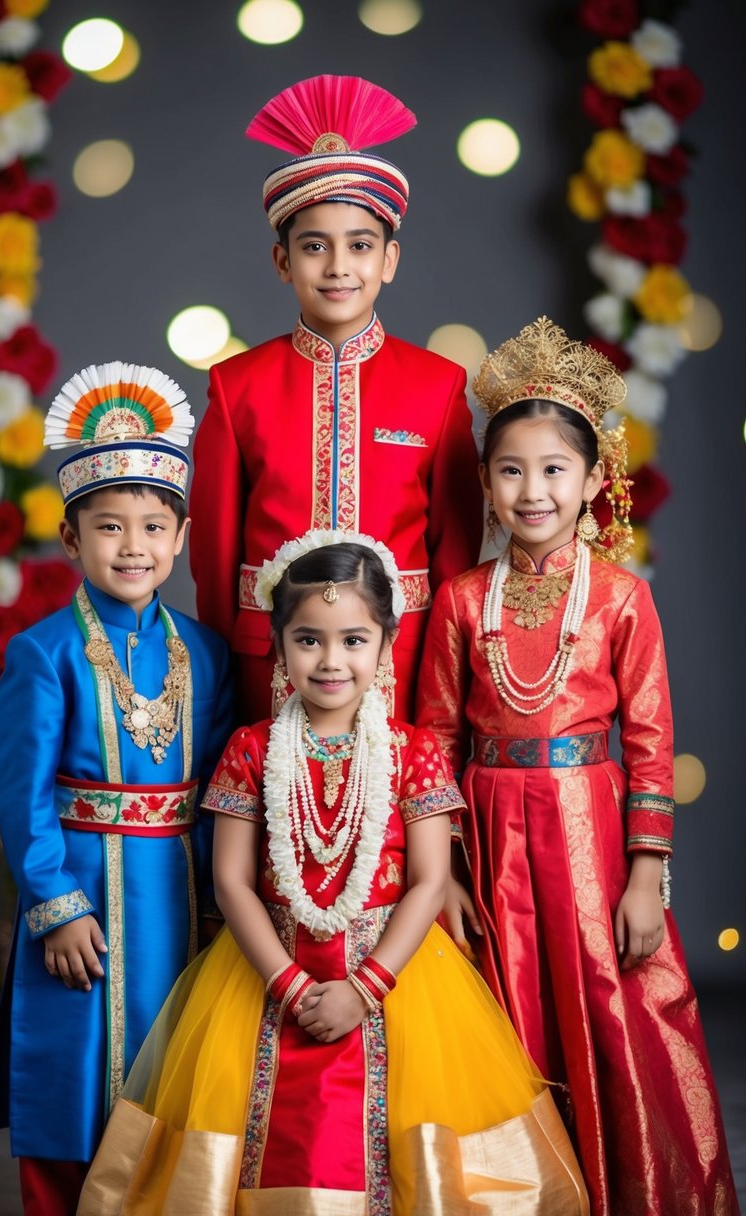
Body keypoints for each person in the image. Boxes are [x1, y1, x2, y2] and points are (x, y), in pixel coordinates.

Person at [77, 531, 588, 1216]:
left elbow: (429, 882)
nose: (330, 659)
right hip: (265, 971)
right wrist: (288, 984)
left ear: (384, 645)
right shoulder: (251, 748)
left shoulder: (411, 752)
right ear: (281, 646)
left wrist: (366, 989)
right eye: (308, 639)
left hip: (394, 976)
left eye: (353, 639)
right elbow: (231, 881)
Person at [417, 317, 740, 1215]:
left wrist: (646, 875)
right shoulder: (459, 601)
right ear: (482, 482)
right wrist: (437, 874)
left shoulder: (621, 598)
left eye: (554, 469)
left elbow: (648, 739)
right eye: (510, 470)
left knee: (605, 1010)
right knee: (502, 1015)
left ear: (594, 480)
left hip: (589, 835)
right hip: (486, 835)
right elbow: (434, 740)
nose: (532, 490)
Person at [0, 363, 234, 1216]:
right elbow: (19, 792)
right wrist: (53, 904)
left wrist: (218, 907)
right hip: (82, 890)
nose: (133, 546)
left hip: (178, 891)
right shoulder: (42, 652)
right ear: (69, 538)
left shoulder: (204, 653)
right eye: (109, 528)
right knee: (75, 1070)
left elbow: (213, 793)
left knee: (174, 1071)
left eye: (154, 527)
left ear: (181, 535)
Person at [189, 73, 482, 725]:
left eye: (359, 246)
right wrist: (224, 662)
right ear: (281, 261)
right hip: (269, 656)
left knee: (390, 822)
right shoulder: (235, 385)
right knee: (272, 817)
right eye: (313, 247)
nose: (337, 267)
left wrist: (441, 665)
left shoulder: (438, 385)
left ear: (390, 260)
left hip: (400, 658)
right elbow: (212, 558)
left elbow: (454, 553)